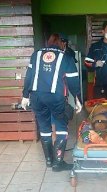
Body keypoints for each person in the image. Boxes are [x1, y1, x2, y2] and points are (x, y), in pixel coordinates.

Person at [21, 33, 83, 172]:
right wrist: (78, 99)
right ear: (62, 43)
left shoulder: (36, 55)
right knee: (61, 127)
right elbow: (73, 81)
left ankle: (49, 161)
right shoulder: (66, 57)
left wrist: (25, 95)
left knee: (44, 128)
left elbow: (29, 75)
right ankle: (58, 163)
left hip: (36, 97)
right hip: (56, 98)